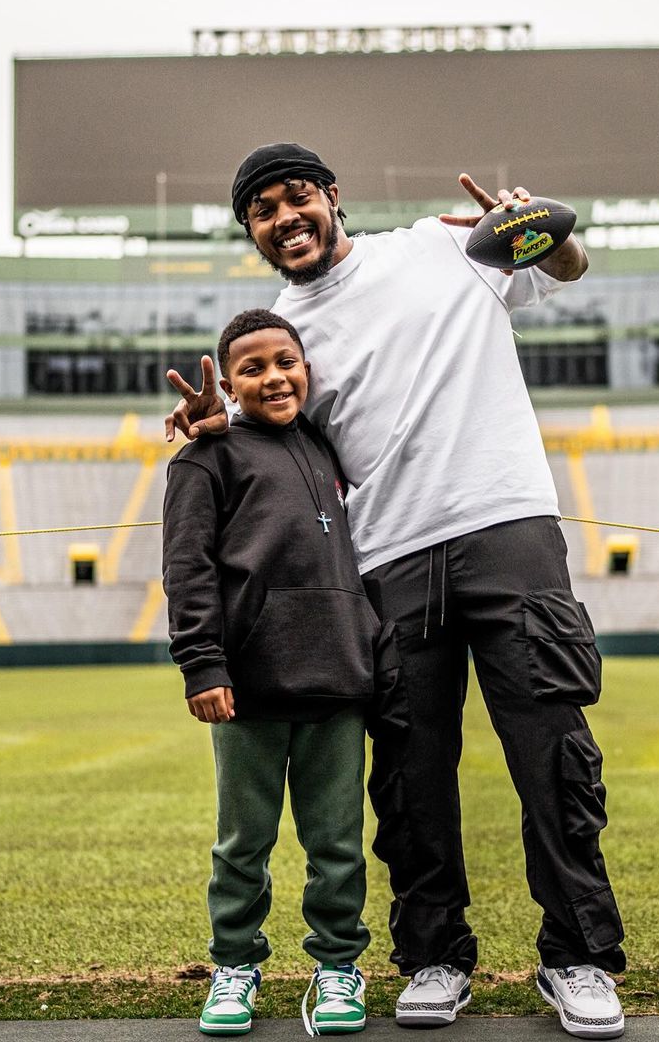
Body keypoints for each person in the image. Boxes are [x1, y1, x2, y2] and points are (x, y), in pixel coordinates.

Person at [166, 143, 626, 1040]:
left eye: (298, 196)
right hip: (386, 562)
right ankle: (435, 958)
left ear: (332, 197)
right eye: (262, 211)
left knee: (554, 755)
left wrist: (540, 231)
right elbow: (268, 432)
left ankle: (577, 956)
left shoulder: (438, 246)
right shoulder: (282, 335)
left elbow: (567, 267)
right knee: (411, 775)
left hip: (508, 529)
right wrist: (212, 429)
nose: (285, 217)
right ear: (252, 232)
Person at [163, 308, 380, 1037]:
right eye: (251, 369)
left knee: (338, 844)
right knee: (243, 843)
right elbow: (187, 571)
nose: (273, 377)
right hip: (248, 687)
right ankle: (235, 966)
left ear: (305, 367)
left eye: (284, 361)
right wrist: (202, 664)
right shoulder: (205, 458)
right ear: (228, 386)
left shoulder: (326, 445)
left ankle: (338, 965)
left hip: (339, 678)